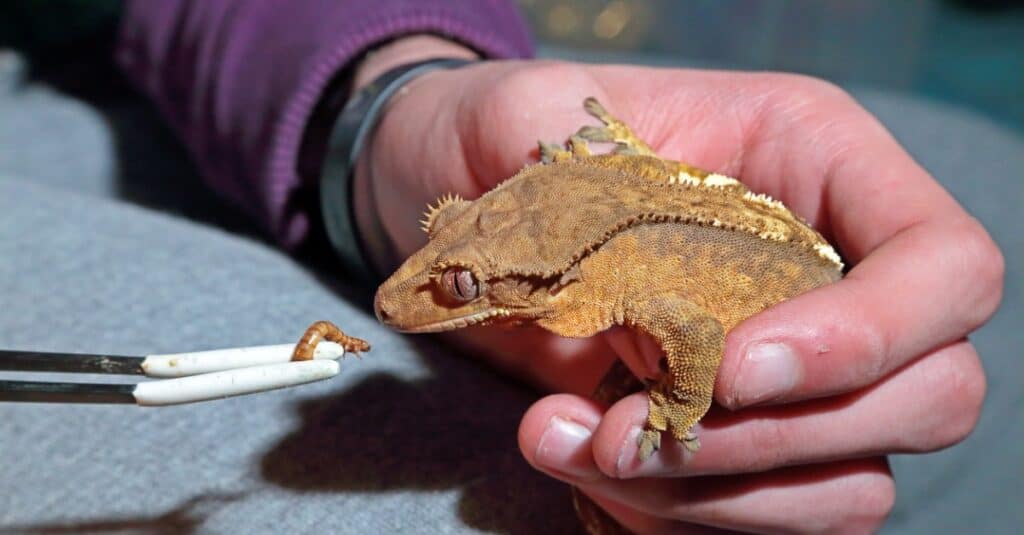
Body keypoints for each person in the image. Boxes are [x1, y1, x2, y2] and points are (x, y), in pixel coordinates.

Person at [116, 1, 1004, 533]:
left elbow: (693, 328)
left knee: (994, 182)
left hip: (771, 303)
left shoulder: (620, 268)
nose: (408, 290)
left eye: (455, 271)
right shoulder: (586, 229)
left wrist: (679, 399)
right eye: (443, 240)